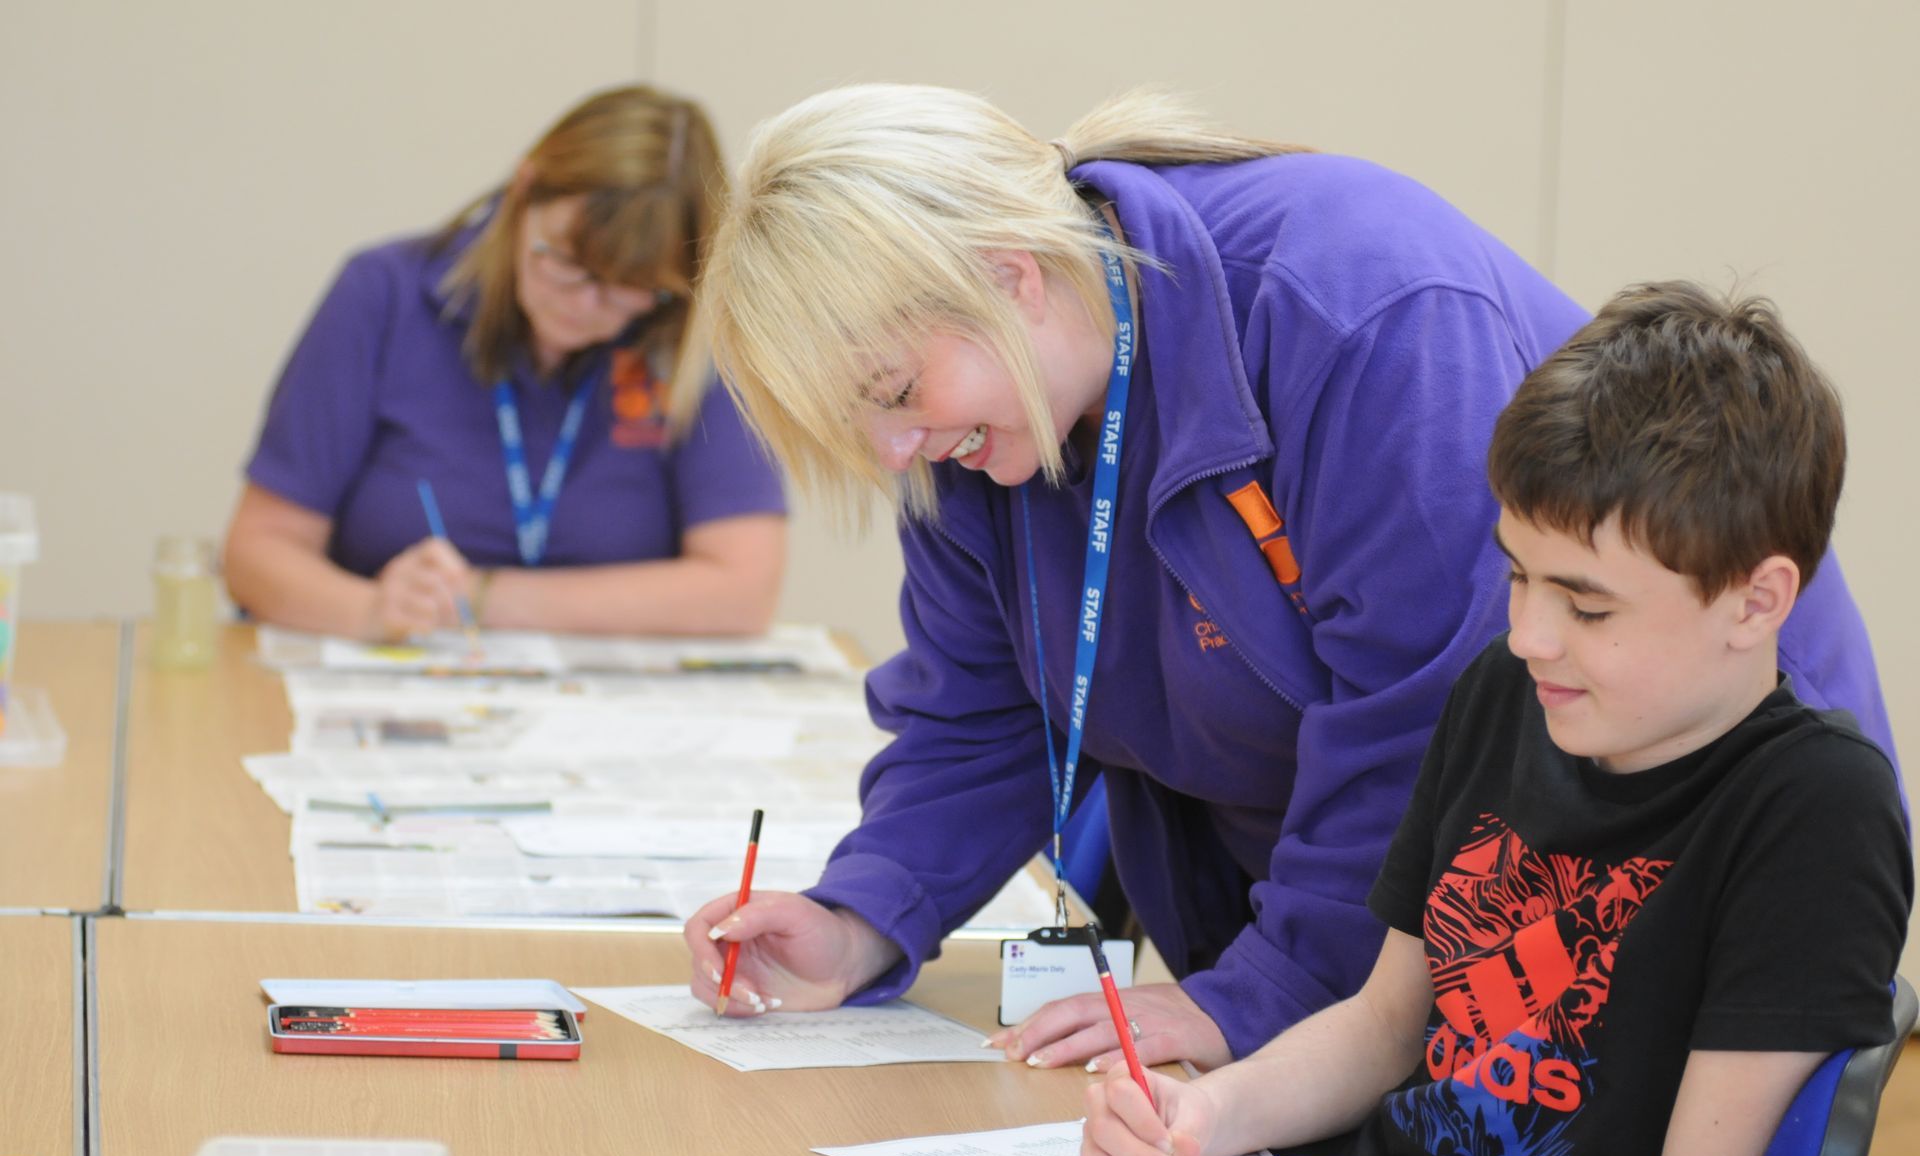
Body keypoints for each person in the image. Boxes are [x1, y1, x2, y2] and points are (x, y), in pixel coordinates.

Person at [681, 85, 1896, 1073]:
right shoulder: (982, 428)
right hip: (1363, 955)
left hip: (1649, 874)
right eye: (862, 423)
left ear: (1010, 275)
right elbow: (980, 711)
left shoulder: (1360, 310)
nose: (896, 451)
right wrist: (860, 916)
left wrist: (1256, 1000)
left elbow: (1436, 730)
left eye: (897, 395)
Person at [1078, 282, 1912, 1156]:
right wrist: (1207, 1113)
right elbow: (1385, 1025)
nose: (1529, 635)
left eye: (1587, 608)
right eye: (1517, 574)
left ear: (1756, 601)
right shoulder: (1507, 693)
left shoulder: (1814, 811)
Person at [225, 85, 787, 642]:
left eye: (630, 289)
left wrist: (481, 596)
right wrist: (369, 610)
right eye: (568, 265)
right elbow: (259, 552)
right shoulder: (385, 295)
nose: (586, 306)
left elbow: (742, 591)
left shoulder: (688, 333)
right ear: (524, 190)